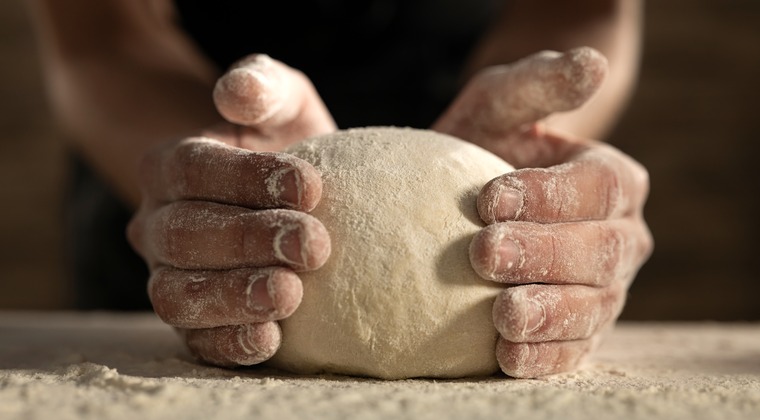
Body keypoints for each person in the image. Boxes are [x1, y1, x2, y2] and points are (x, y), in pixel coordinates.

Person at [29, 0, 652, 378]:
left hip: (477, 166)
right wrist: (208, 170)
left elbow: (579, 10)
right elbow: (100, 35)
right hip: (209, 198)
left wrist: (527, 143)